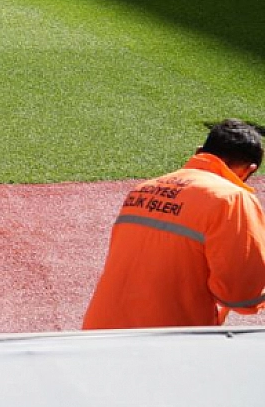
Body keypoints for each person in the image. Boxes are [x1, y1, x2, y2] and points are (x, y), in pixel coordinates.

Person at [83, 120, 265, 330]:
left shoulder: (142, 189)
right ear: (249, 170)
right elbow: (242, 297)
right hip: (166, 336)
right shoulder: (232, 198)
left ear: (199, 151)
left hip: (100, 331)